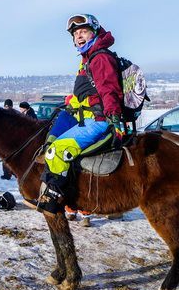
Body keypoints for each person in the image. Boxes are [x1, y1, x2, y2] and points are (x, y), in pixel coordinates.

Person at [24, 14, 124, 218]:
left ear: (94, 33)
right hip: (85, 118)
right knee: (50, 143)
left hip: (98, 121)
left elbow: (109, 91)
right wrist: (72, 101)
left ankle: (53, 203)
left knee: (57, 152)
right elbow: (89, 93)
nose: (79, 36)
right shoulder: (87, 58)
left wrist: (114, 118)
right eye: (76, 33)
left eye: (83, 32)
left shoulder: (100, 58)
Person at [0, 99, 16, 180]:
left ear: (11, 106)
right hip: (4, 139)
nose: (6, 107)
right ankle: (6, 174)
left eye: (8, 106)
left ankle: (13, 172)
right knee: (4, 157)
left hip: (12, 139)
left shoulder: (15, 115)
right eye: (5, 106)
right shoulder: (2, 114)